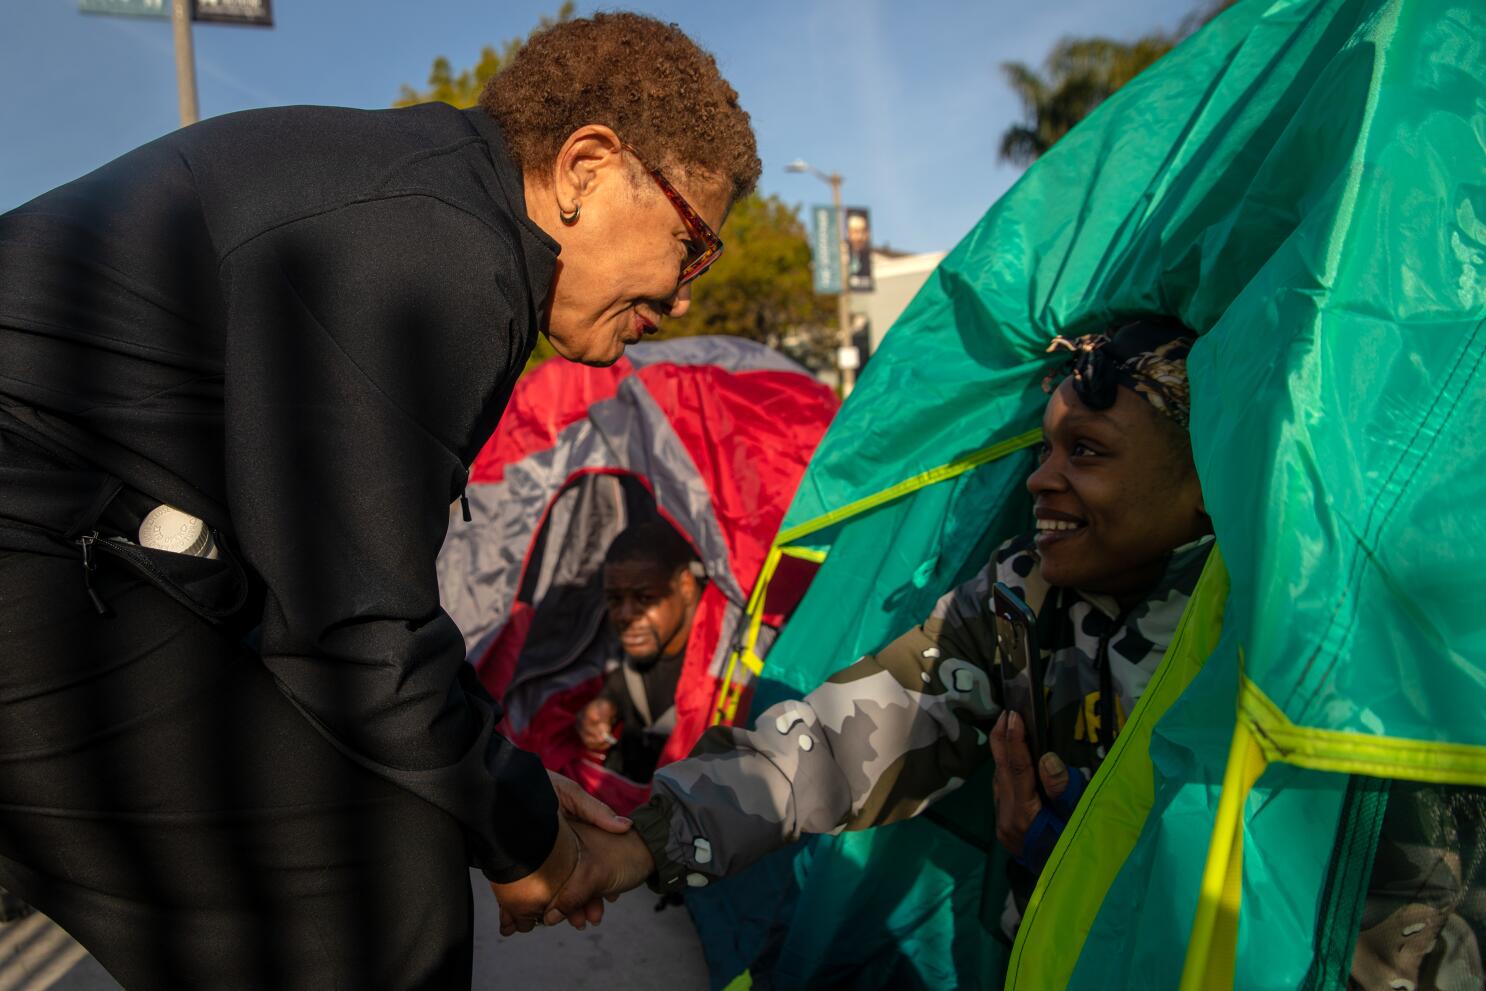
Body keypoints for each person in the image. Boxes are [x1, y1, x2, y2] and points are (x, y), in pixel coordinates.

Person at [0, 12, 758, 988]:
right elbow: (354, 627)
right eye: (691, 245)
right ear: (585, 168)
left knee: (387, 839)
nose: (685, 294)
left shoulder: (432, 205)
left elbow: (335, 596)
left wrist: (506, 789)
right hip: (38, 545)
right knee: (366, 900)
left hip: (77, 535)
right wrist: (527, 839)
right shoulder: (441, 255)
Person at [546, 319, 1218, 934]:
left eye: (1087, 451)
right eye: (1046, 448)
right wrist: (643, 839)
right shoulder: (1018, 599)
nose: (1041, 478)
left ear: (1207, 475)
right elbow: (842, 744)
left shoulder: (1262, 633)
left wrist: (1086, 854)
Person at [577, 522, 704, 783]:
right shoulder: (637, 656)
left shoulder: (722, 666)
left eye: (645, 598)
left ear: (686, 587)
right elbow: (625, 682)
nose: (625, 615)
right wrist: (605, 705)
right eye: (614, 599)